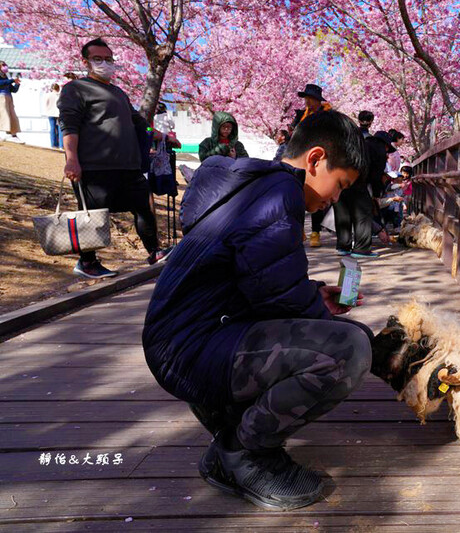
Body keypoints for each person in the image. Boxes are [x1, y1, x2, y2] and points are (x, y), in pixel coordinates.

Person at [143, 109, 371, 511]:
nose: (336, 198)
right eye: (341, 185)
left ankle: (230, 428)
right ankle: (242, 454)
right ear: (316, 159)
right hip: (192, 351)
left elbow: (259, 281)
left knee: (337, 337)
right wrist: (361, 345)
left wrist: (315, 296)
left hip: (183, 342)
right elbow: (278, 296)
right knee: (349, 349)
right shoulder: (279, 192)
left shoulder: (253, 186)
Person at [59, 37, 170, 278]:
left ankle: (155, 251)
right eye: (98, 59)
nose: (104, 63)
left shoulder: (118, 92)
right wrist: (71, 159)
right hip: (94, 167)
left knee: (143, 208)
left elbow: (137, 121)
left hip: (127, 165)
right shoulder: (75, 89)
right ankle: (87, 263)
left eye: (108, 59)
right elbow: (69, 126)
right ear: (86, 61)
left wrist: (159, 135)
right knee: (93, 218)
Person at [333, 130, 394, 258]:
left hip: (339, 179)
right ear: (385, 144)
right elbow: (376, 175)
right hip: (358, 181)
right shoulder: (380, 150)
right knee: (363, 212)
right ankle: (361, 248)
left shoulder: (361, 143)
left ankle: (343, 246)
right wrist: (376, 194)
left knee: (343, 212)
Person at [291, 84, 330, 247]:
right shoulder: (300, 115)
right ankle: (299, 230)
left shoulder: (327, 115)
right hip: (300, 158)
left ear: (318, 100)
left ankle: (315, 232)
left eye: (311, 99)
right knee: (297, 194)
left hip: (318, 159)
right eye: (306, 98)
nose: (308, 102)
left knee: (315, 195)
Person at [0, 61, 23, 143]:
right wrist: (11, 80)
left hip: (9, 98)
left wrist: (17, 83)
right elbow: (1, 83)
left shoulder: (5, 77)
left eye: (5, 65)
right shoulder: (6, 79)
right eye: (3, 65)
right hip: (1, 98)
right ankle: (9, 134)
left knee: (12, 116)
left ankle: (13, 135)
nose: (5, 67)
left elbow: (13, 90)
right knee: (4, 116)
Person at [43, 84, 61, 148]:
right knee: (60, 129)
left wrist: (47, 110)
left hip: (50, 113)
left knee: (52, 128)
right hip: (58, 114)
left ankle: (53, 144)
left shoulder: (48, 95)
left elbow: (45, 104)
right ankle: (61, 145)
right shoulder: (60, 95)